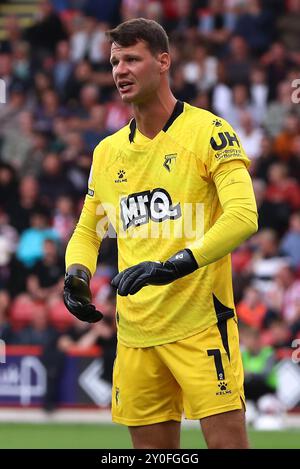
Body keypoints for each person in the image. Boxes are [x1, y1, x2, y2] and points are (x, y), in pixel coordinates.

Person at [63, 18, 258, 449]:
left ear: (164, 61)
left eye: (132, 58)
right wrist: (76, 274)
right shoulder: (107, 152)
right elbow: (89, 230)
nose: (120, 70)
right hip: (135, 336)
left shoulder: (209, 131)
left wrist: (175, 266)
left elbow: (244, 216)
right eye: (115, 61)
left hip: (201, 326)